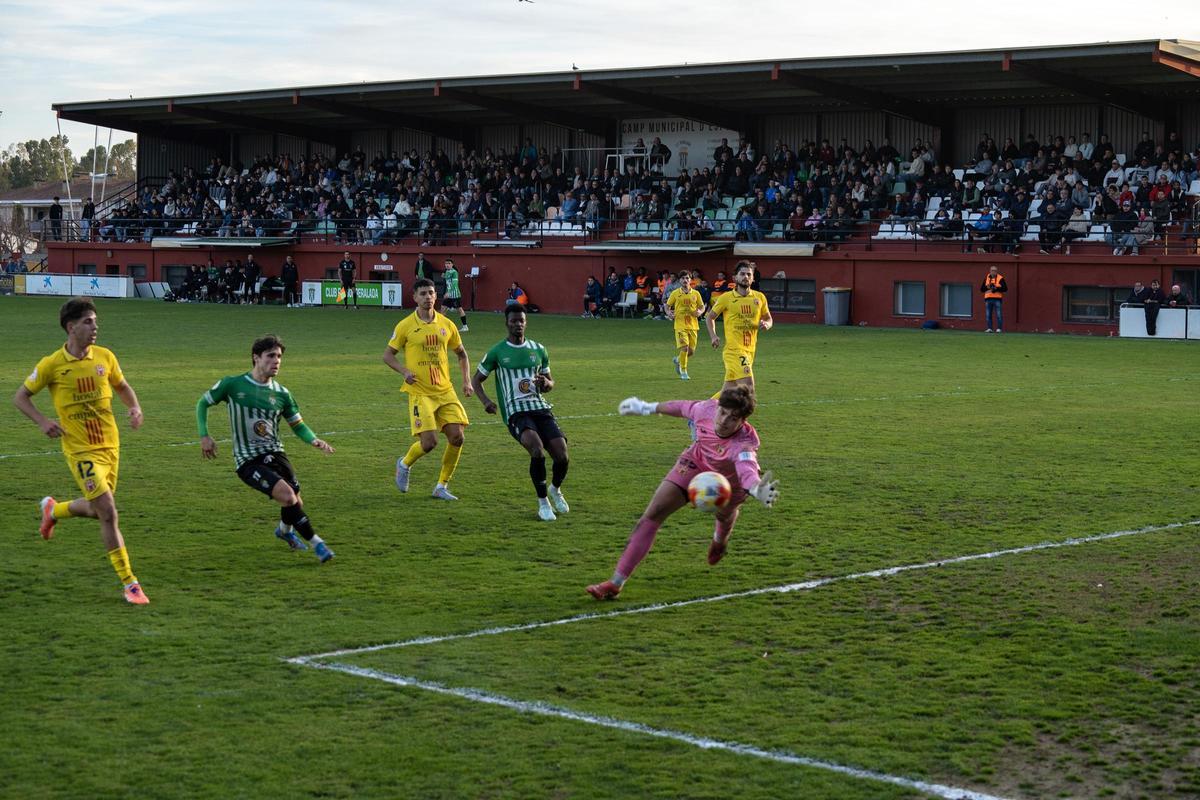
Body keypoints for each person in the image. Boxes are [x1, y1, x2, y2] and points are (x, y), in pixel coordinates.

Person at [13, 297, 149, 605]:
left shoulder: (105, 357)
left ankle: (54, 510)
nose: (95, 327)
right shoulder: (52, 364)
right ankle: (130, 582)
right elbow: (20, 397)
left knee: (97, 509)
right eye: (88, 322)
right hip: (80, 450)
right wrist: (42, 421)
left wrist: (135, 408)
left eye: (95, 321)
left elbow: (122, 386)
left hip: (110, 446)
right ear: (71, 327)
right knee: (109, 512)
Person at [585, 387, 780, 600]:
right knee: (653, 514)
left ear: (743, 422)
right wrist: (645, 407)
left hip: (729, 483)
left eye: (733, 418)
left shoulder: (743, 444)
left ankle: (720, 540)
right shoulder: (706, 409)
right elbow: (679, 407)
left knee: (724, 515)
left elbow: (747, 469)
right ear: (718, 407)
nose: (724, 421)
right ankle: (615, 583)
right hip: (695, 462)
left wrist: (755, 488)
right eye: (722, 412)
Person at [196, 335, 336, 563]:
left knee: (295, 503)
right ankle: (318, 544)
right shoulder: (232, 384)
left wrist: (314, 440)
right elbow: (203, 403)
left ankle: (284, 530)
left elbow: (298, 425)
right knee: (289, 497)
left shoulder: (282, 394)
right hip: (248, 461)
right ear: (256, 357)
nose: (277, 361)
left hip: (276, 454)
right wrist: (204, 435)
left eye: (279, 356)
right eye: (271, 356)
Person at [471, 304, 570, 521]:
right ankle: (543, 502)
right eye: (514, 321)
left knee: (562, 455)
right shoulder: (497, 352)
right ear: (507, 322)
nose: (518, 324)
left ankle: (555, 489)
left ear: (526, 322)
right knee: (536, 449)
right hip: (515, 411)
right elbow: (476, 380)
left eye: (521, 321)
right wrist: (486, 401)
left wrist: (547, 383)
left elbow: (550, 383)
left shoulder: (538, 349)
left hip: (539, 408)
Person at [384, 277, 474, 500]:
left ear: (436, 296)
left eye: (431, 293)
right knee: (429, 443)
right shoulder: (405, 325)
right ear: (414, 297)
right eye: (422, 293)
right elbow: (387, 356)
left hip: (445, 390)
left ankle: (441, 486)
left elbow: (462, 354)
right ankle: (404, 464)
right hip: (420, 392)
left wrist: (466, 381)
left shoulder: (446, 324)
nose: (427, 297)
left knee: (457, 438)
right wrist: (404, 371)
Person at [706, 261, 773, 394]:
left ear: (753, 278)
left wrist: (767, 324)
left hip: (750, 350)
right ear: (735, 278)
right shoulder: (726, 298)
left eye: (749, 274)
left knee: (728, 391)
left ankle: (697, 413)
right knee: (748, 387)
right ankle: (742, 415)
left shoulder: (759, 298)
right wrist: (713, 336)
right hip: (734, 350)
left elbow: (768, 318)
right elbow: (710, 317)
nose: (746, 277)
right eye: (742, 274)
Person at [665, 271, 705, 381]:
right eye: (682, 278)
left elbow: (702, 307)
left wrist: (700, 312)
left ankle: (678, 360)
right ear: (679, 280)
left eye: (687, 278)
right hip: (680, 325)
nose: (685, 280)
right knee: (685, 348)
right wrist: (669, 313)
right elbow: (667, 306)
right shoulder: (675, 293)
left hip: (693, 325)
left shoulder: (696, 294)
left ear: (690, 280)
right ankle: (684, 371)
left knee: (691, 352)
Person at [440, 257, 469, 332]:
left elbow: (454, 283)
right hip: (448, 295)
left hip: (455, 295)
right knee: (442, 309)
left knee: (459, 310)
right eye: (446, 263)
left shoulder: (454, 272)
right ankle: (443, 326)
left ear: (452, 264)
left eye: (449, 263)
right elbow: (447, 281)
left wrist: (449, 292)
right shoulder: (446, 272)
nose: (447, 265)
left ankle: (465, 326)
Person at [981, 265, 1007, 333]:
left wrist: (996, 288)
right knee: (988, 315)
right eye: (992, 270)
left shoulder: (1000, 278)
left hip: (997, 299)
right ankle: (989, 328)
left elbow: (1005, 289)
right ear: (990, 271)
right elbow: (981, 289)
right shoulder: (986, 278)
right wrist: (988, 287)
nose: (993, 272)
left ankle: (999, 328)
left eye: (995, 271)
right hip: (988, 299)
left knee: (999, 315)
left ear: (997, 271)